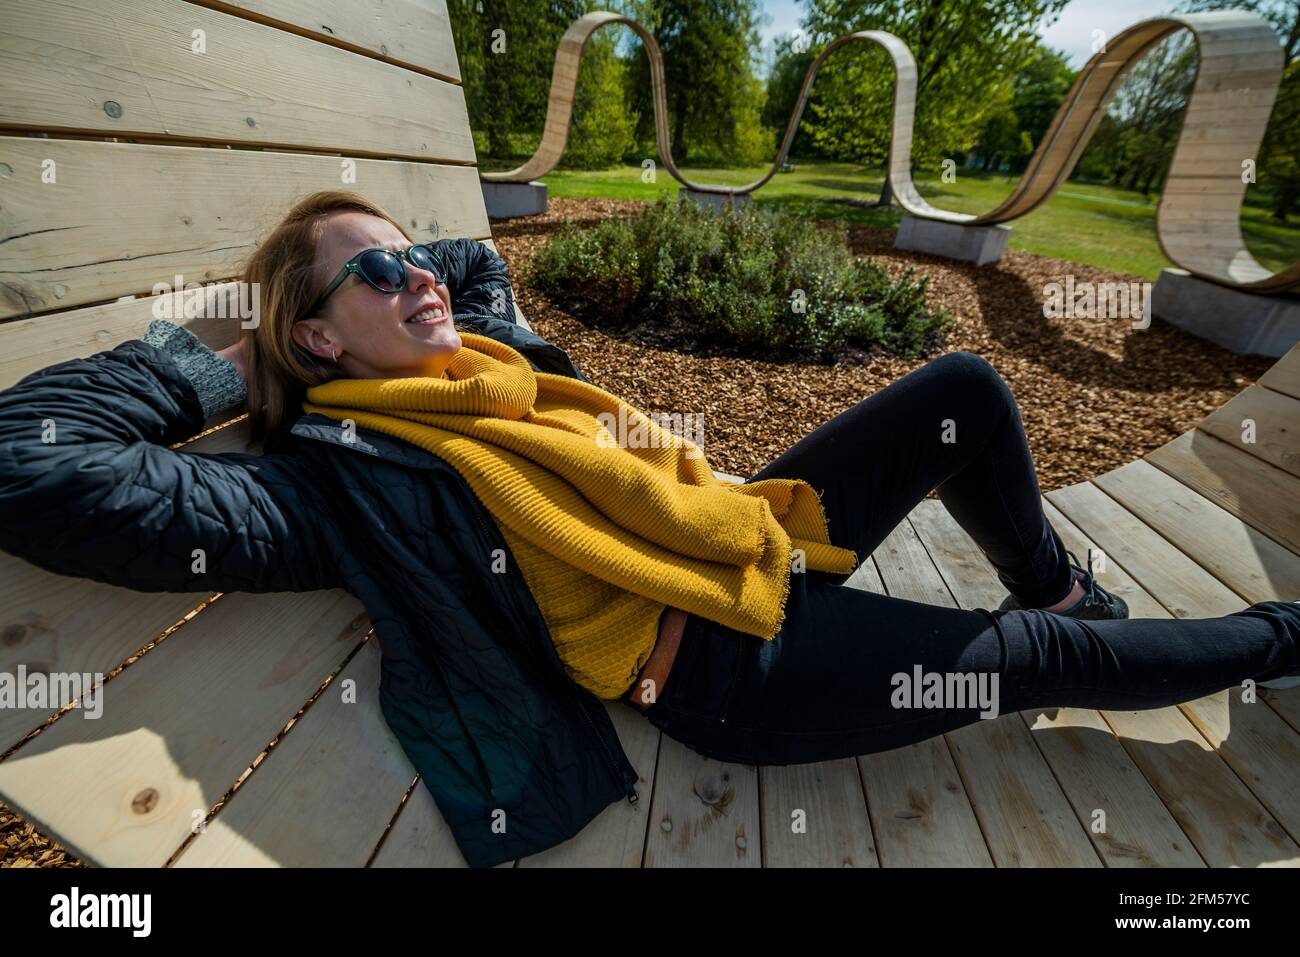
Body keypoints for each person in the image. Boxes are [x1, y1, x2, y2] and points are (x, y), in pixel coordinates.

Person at [0, 190, 1295, 869]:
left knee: (961, 392)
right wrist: (232, 354)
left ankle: (1061, 581)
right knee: (1029, 661)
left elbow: (468, 254)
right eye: (379, 273)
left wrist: (383, 270)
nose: (425, 278)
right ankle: (1280, 637)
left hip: (738, 530)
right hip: (731, 664)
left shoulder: (485, 361)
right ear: (316, 337)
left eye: (414, 260)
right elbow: (28, 466)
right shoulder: (337, 483)